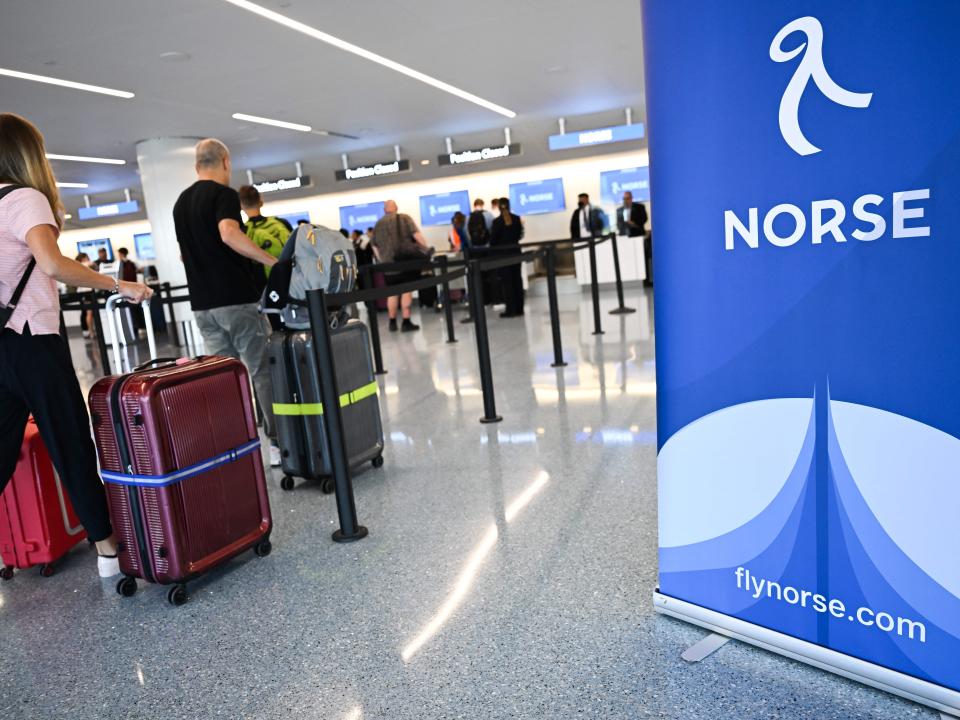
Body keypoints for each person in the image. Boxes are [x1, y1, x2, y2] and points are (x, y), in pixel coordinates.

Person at [0, 112, 153, 579]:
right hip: (32, 341)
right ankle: (108, 549)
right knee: (69, 440)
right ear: (28, 155)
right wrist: (116, 284)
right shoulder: (25, 198)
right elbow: (51, 263)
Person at [172, 138, 281, 466]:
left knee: (224, 377)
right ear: (226, 162)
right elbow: (229, 234)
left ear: (195, 166)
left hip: (202, 305)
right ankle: (278, 443)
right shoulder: (223, 195)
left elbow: (183, 253)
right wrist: (271, 262)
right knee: (260, 368)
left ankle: (237, 448)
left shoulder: (180, 202)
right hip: (236, 299)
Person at [371, 199, 432, 332]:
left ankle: (392, 322)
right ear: (396, 207)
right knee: (406, 291)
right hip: (404, 262)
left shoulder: (378, 224)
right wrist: (426, 250)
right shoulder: (404, 218)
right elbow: (417, 236)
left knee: (392, 293)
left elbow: (374, 245)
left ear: (384, 210)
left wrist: (381, 259)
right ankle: (406, 321)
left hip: (387, 265)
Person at [238, 184, 292, 281]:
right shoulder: (281, 222)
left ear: (241, 206)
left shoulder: (242, 232)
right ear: (261, 202)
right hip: (288, 277)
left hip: (263, 285)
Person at [490, 196, 525, 318]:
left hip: (503, 255)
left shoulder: (497, 222)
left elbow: (493, 240)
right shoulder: (516, 219)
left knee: (507, 283)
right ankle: (520, 308)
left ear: (499, 208)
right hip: (516, 252)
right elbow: (520, 235)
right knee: (517, 281)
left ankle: (510, 310)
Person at [617, 190, 652, 287]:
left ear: (631, 198)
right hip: (625, 238)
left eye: (627, 198)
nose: (626, 201)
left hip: (638, 236)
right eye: (624, 199)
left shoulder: (640, 207)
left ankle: (647, 281)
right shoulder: (620, 210)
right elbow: (619, 224)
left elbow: (644, 219)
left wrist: (634, 224)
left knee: (642, 259)